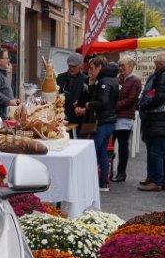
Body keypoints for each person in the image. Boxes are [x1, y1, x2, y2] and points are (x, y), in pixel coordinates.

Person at [138, 51, 165, 193]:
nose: (155, 67)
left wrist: (143, 104)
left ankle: (156, 181)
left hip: (160, 121)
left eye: (156, 64)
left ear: (161, 64)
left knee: (156, 152)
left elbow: (158, 99)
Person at [75, 55, 120, 191]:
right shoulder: (110, 80)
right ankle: (103, 183)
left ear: (100, 68)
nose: (90, 71)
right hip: (108, 121)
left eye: (93, 68)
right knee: (102, 152)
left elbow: (103, 102)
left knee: (91, 152)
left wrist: (88, 105)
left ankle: (88, 182)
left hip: (103, 121)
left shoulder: (104, 81)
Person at [112, 56, 142, 182]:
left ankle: (121, 172)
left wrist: (113, 106)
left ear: (130, 66)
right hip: (113, 117)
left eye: (123, 66)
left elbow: (131, 100)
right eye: (120, 66)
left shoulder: (135, 81)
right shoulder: (118, 79)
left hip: (124, 118)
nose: (121, 68)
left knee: (123, 146)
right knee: (110, 145)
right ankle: (108, 171)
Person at [59, 55, 88, 125]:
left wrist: (81, 104)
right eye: (70, 66)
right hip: (61, 119)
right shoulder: (60, 78)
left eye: (74, 66)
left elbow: (88, 99)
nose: (71, 68)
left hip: (78, 120)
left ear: (80, 66)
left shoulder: (86, 80)